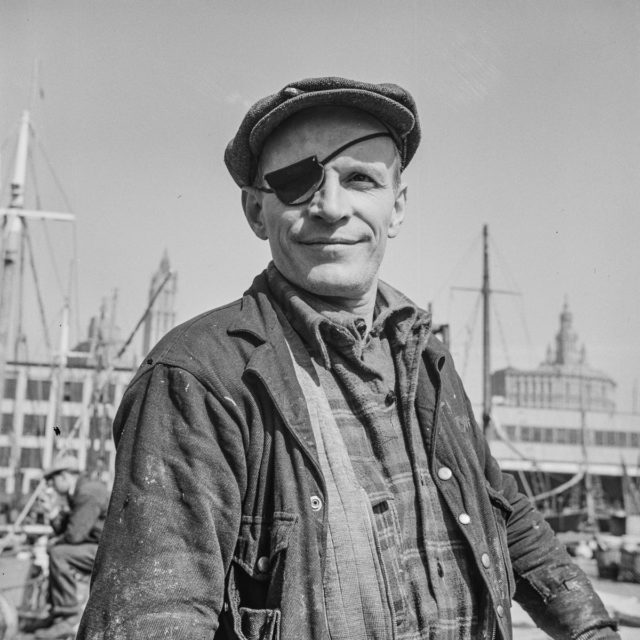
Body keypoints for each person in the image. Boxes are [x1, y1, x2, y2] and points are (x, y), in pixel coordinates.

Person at [78, 77, 619, 640]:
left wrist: (590, 630)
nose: (331, 208)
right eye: (297, 183)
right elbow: (154, 614)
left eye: (360, 178)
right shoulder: (200, 376)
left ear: (398, 206)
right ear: (255, 212)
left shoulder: (427, 360)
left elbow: (506, 516)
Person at [36, 453, 109, 639]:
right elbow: (71, 529)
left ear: (64, 476)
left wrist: (54, 542)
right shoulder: (80, 491)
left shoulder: (87, 493)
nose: (51, 486)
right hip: (99, 548)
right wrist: (52, 512)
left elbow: (74, 536)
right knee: (57, 551)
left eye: (52, 481)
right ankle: (58, 614)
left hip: (110, 553)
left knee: (59, 554)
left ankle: (68, 617)